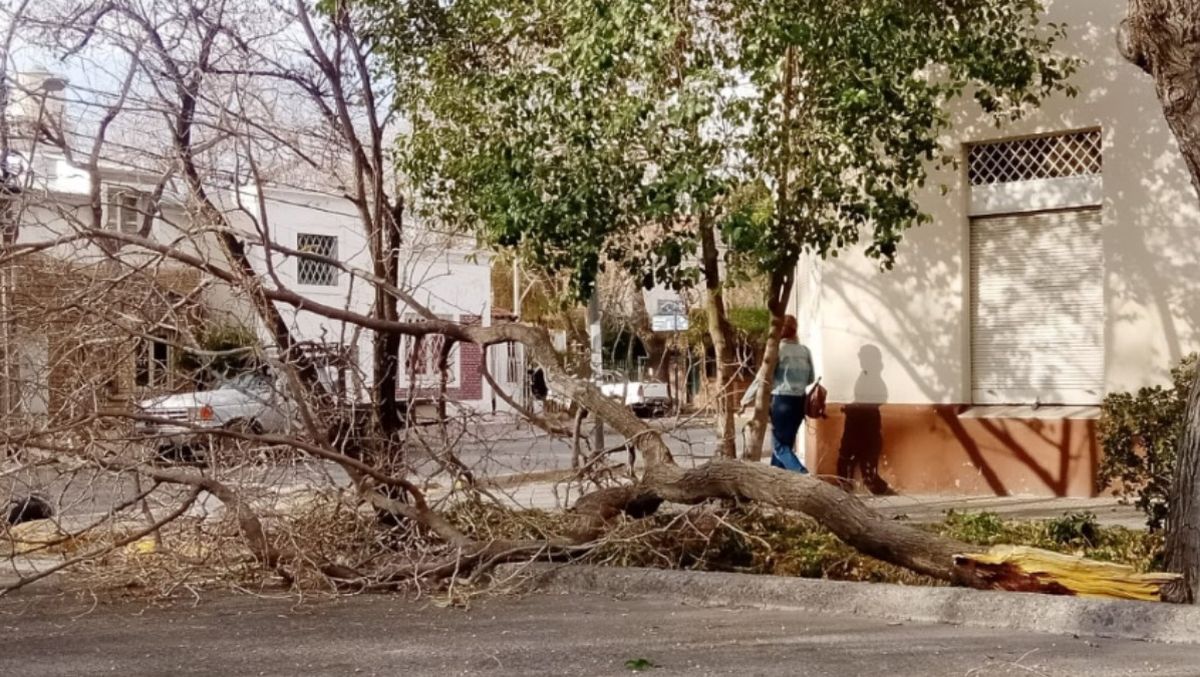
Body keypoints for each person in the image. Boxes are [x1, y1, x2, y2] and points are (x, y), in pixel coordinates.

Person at [740, 314, 814, 473]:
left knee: (780, 447)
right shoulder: (805, 351)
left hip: (782, 401)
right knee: (785, 446)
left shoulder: (776, 351)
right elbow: (810, 379)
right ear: (795, 330)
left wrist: (745, 399)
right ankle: (775, 481)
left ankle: (802, 474)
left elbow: (762, 378)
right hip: (800, 402)